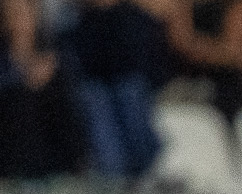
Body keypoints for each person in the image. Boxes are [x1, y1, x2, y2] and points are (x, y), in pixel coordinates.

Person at [65, 0, 171, 180]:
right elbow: (81, 66)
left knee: (130, 92)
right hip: (99, 94)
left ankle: (140, 171)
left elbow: (147, 65)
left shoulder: (134, 18)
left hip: (133, 92)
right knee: (95, 99)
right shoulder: (77, 22)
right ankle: (115, 178)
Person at [0, 0, 87, 179]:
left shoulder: (56, 56)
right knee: (19, 100)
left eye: (22, 13)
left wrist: (48, 75)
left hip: (50, 149)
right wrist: (24, 83)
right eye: (10, 14)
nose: (16, 21)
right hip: (9, 151)